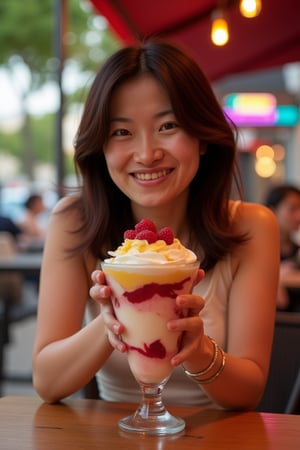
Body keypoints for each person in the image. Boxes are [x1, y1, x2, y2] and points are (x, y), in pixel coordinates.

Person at [32, 40, 279, 410]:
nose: (147, 154)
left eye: (168, 125)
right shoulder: (74, 222)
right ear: (100, 147)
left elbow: (248, 391)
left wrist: (198, 350)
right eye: (121, 132)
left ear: (203, 138)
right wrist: (111, 321)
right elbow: (47, 383)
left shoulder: (252, 227)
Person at [264, 184, 300, 311]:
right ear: (272, 211)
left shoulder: (297, 251)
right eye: (292, 209)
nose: (298, 216)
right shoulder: (260, 252)